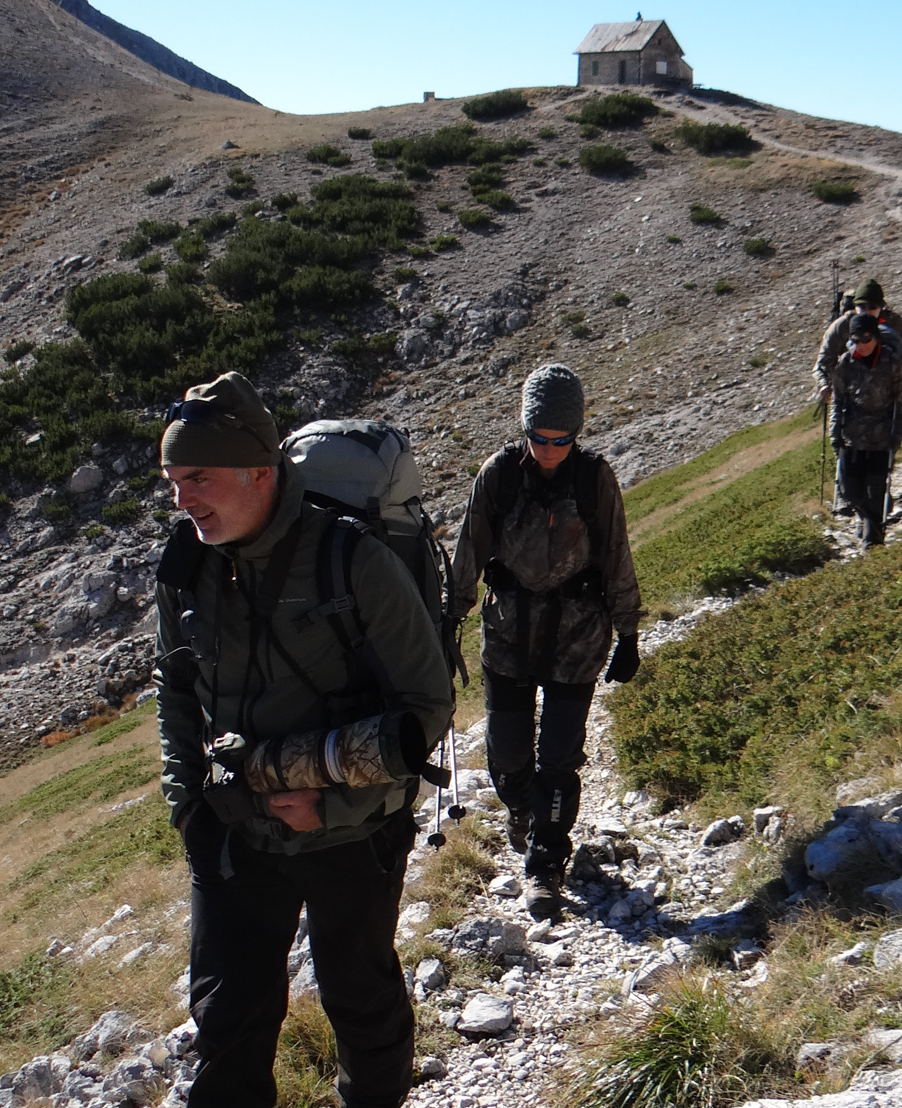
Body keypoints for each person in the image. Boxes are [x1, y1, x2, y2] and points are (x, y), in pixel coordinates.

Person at [151, 372, 453, 1108]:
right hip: (230, 828)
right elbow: (175, 686)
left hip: (350, 834)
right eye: (171, 481)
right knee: (227, 1023)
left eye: (199, 478)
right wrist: (185, 804)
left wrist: (334, 808)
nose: (183, 499)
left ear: (260, 472)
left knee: (359, 1001)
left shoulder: (352, 561)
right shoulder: (188, 564)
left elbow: (425, 708)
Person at [446, 363, 641, 921]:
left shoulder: (593, 478)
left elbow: (617, 554)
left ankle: (546, 864)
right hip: (508, 636)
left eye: (562, 439)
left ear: (577, 434)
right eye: (539, 437)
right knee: (507, 759)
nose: (550, 448)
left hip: (578, 640)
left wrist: (628, 632)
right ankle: (521, 807)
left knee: (559, 757)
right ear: (524, 428)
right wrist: (447, 622)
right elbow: (468, 553)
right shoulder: (499, 476)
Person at [827, 312, 902, 547]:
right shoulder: (846, 363)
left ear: (875, 337)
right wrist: (835, 433)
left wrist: (896, 436)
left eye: (866, 339)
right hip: (851, 438)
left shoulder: (892, 363)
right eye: (855, 340)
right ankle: (866, 519)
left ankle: (872, 541)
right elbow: (838, 400)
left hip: (881, 438)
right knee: (849, 491)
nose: (861, 345)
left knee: (876, 492)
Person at [814, 277, 902, 398]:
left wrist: (898, 369)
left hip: (888, 390)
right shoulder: (842, 326)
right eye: (862, 306)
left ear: (881, 307)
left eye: (872, 307)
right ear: (855, 306)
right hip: (852, 393)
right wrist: (828, 384)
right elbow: (823, 362)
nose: (867, 311)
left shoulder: (893, 322)